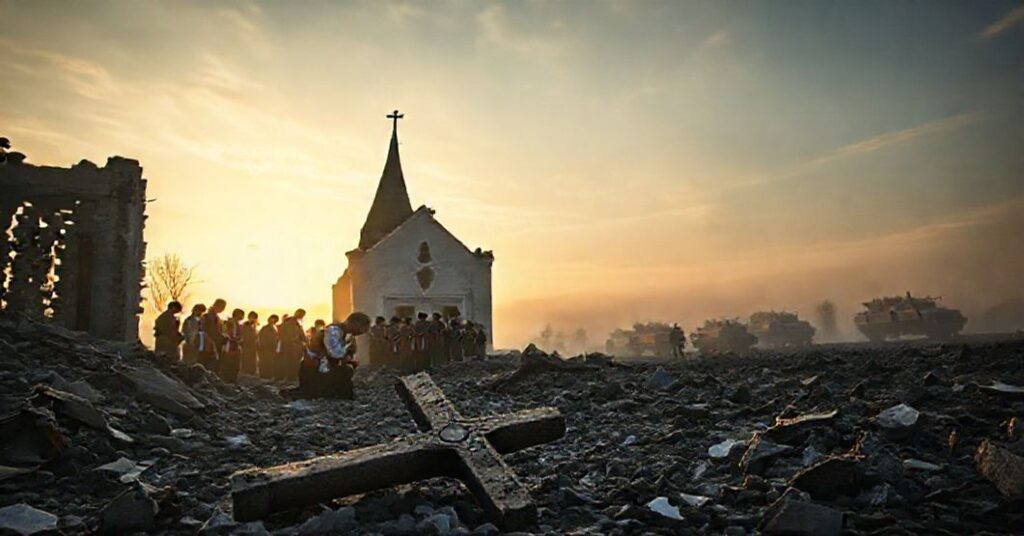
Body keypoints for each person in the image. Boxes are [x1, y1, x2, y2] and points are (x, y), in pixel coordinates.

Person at [289, 312, 371, 399]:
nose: (362, 332)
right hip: (314, 369)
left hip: (324, 368)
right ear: (354, 323)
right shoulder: (333, 331)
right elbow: (335, 353)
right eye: (363, 328)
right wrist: (348, 354)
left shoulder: (347, 335)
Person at [199, 299, 227, 373]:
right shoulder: (210, 317)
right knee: (210, 366)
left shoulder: (215, 317)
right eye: (222, 307)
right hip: (209, 345)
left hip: (214, 344)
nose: (223, 309)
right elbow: (211, 331)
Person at [279, 309, 307, 381]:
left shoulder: (292, 322)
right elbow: (295, 335)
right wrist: (302, 342)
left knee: (290, 363)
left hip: (290, 346)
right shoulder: (292, 322)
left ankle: (290, 377)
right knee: (292, 363)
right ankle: (291, 378)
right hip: (292, 347)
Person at [220, 308, 244, 383]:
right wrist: (237, 339)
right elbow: (227, 334)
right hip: (229, 348)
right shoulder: (229, 323)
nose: (242, 317)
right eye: (241, 315)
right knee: (228, 367)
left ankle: (232, 381)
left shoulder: (238, 324)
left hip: (236, 349)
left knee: (235, 367)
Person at [258, 314, 280, 379]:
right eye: (271, 318)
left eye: (273, 319)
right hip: (265, 348)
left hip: (272, 348)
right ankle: (264, 376)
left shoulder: (274, 328)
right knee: (265, 362)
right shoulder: (265, 328)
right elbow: (261, 338)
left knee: (270, 362)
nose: (271, 320)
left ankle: (268, 375)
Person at [241, 311, 260, 375]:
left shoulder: (254, 325)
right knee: (247, 359)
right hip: (247, 345)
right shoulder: (246, 324)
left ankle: (252, 371)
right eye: (252, 317)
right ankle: (246, 371)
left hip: (253, 345)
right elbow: (245, 335)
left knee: (252, 359)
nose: (253, 319)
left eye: (254, 317)